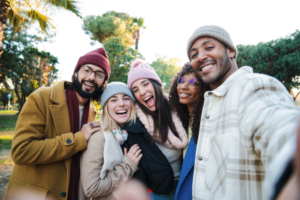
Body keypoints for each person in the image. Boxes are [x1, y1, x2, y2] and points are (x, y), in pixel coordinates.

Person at [187, 25, 300, 200]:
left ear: (231, 51)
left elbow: (278, 127)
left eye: (209, 48)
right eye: (193, 55)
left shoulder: (252, 86)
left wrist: (291, 169)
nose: (200, 57)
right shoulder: (210, 101)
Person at [5, 48, 110, 200]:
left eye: (99, 74)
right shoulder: (42, 98)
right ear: (76, 73)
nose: (92, 77)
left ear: (103, 83)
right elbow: (21, 151)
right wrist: (77, 139)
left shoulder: (93, 111)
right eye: (87, 70)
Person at [126, 59, 188, 200]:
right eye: (135, 90)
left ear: (156, 84)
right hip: (155, 193)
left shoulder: (177, 109)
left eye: (145, 84)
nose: (142, 92)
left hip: (182, 188)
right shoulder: (135, 123)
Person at [80, 82, 142, 200]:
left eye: (126, 98)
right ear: (106, 107)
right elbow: (92, 188)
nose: (121, 104)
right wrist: (127, 165)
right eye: (113, 100)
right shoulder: (98, 138)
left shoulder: (129, 134)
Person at [168, 63, 209, 200]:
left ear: (203, 89)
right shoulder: (181, 121)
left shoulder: (207, 121)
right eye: (181, 81)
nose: (184, 86)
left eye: (193, 83)